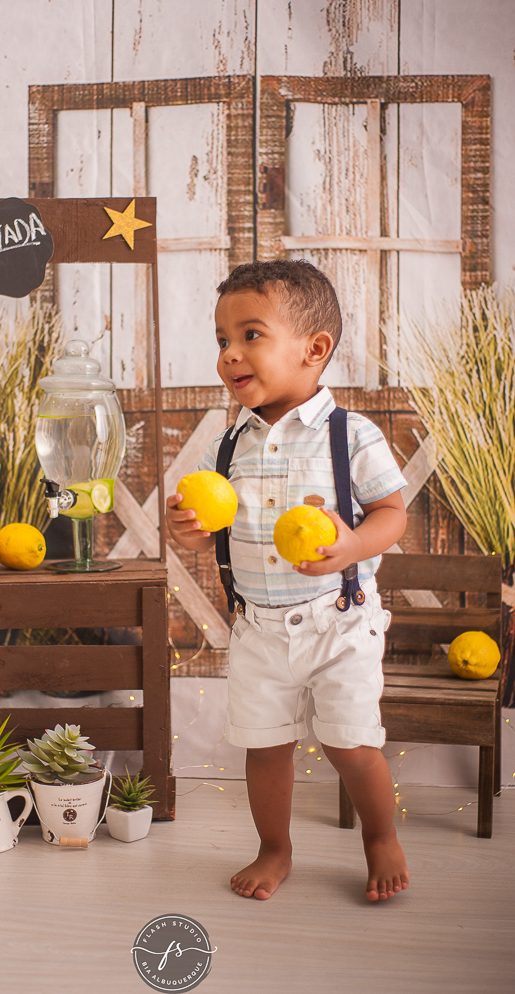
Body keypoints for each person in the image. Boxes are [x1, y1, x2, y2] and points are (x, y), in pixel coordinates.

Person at [166, 259, 410, 902]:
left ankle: (380, 836)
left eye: (250, 335)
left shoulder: (350, 434)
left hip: (340, 622)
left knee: (351, 744)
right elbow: (210, 529)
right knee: (266, 748)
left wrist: (352, 544)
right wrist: (186, 529)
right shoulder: (228, 446)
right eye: (222, 339)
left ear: (314, 349)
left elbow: (392, 513)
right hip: (259, 630)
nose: (230, 354)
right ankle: (274, 848)